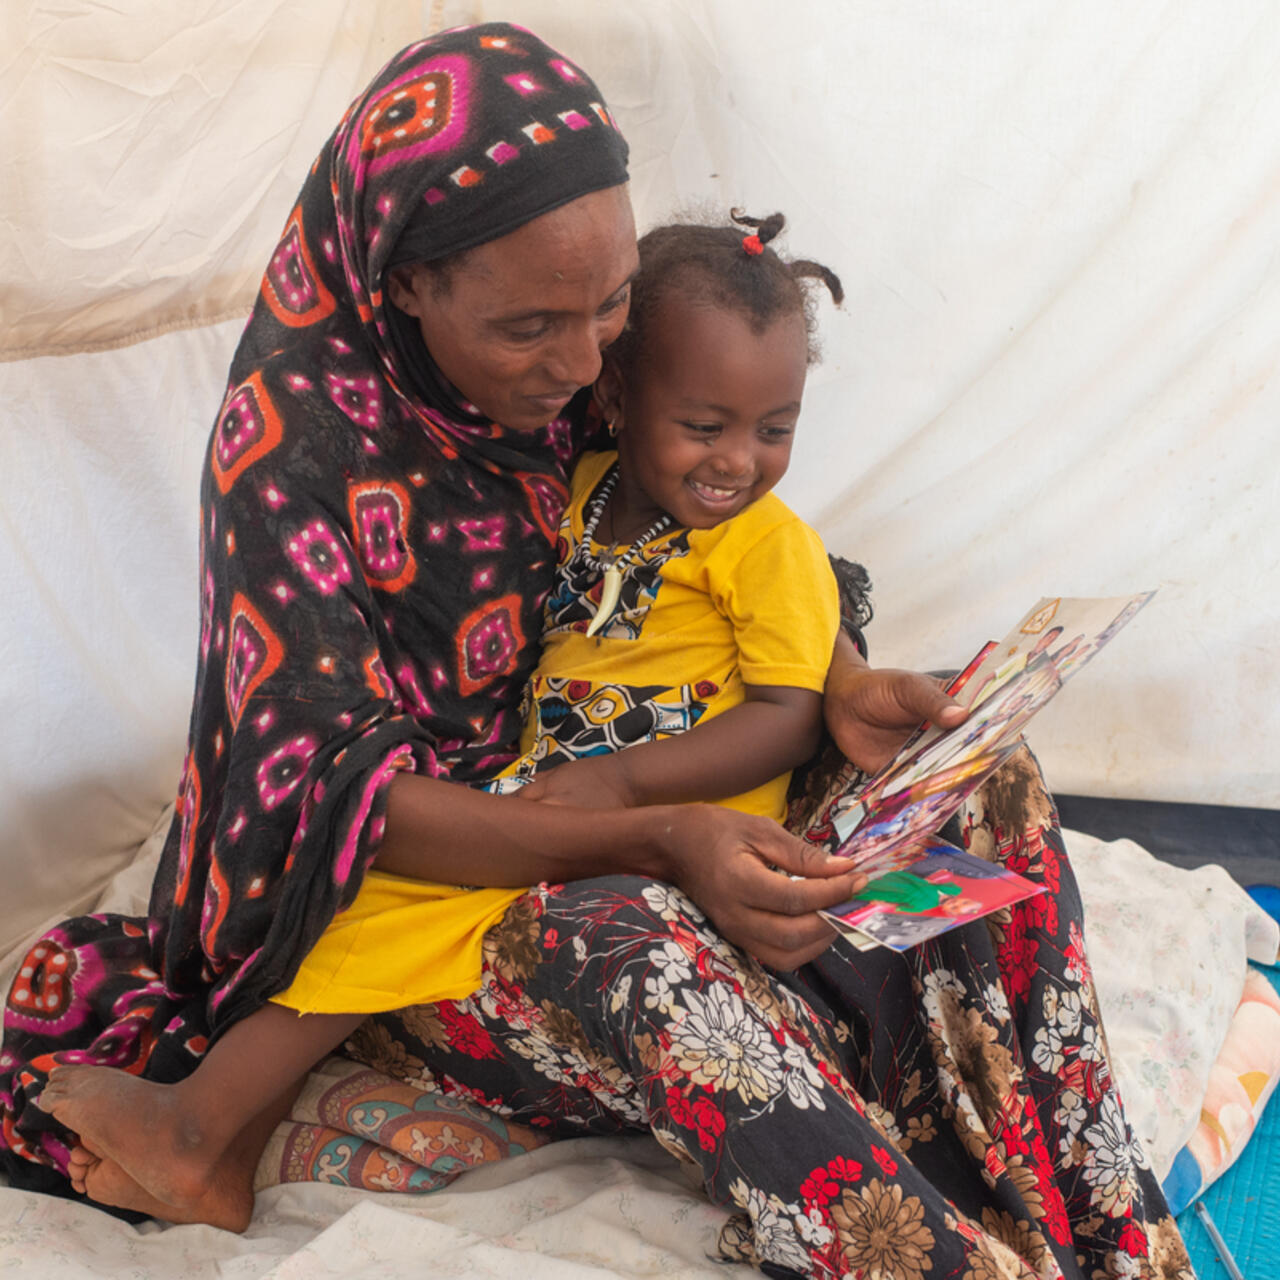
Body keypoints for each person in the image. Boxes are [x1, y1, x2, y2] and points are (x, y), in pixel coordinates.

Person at [1, 23, 1190, 1280]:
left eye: (611, 306)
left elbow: (717, 539)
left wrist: (838, 681)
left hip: (624, 783)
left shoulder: (577, 361)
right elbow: (352, 812)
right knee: (644, 953)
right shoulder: (290, 457)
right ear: (405, 283)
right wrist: (649, 828)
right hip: (413, 896)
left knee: (980, 775)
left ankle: (1100, 1217)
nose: (582, 368)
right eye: (529, 328)